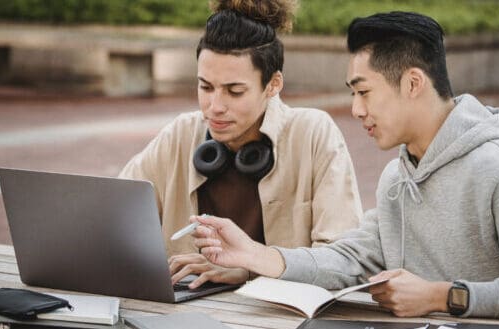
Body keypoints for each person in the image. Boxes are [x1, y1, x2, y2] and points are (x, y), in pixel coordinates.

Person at [190, 11, 499, 319]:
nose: (356, 109)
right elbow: (349, 259)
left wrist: (443, 295)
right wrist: (255, 255)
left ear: (413, 83)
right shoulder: (398, 178)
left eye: (364, 91)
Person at [118, 0, 362, 289]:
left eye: (234, 91)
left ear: (273, 85)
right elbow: (112, 217)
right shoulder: (181, 133)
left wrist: (249, 269)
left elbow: (346, 265)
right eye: (205, 87)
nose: (215, 106)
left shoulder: (314, 134)